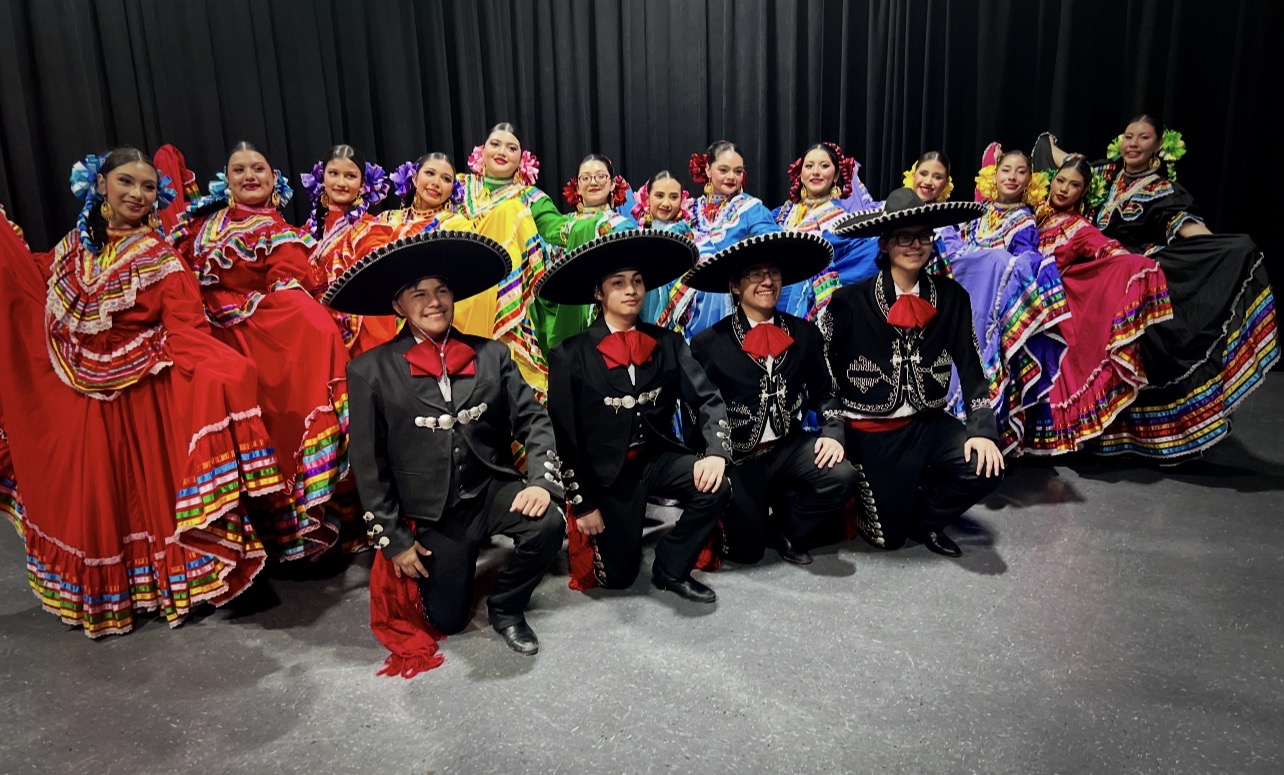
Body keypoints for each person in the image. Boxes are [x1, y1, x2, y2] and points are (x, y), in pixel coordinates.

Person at [0, 149, 282, 636]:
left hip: (142, 399)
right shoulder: (74, 249)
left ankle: (168, 587)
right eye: (126, 182)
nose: (137, 194)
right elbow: (42, 292)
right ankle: (120, 595)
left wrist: (226, 372)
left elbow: (188, 329)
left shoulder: (161, 260)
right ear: (100, 185)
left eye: (148, 186)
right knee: (101, 498)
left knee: (145, 500)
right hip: (85, 401)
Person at [328, 229, 565, 673]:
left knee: (549, 523)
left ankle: (506, 606)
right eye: (419, 293)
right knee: (448, 620)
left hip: (489, 490)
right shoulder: (369, 370)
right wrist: (395, 542)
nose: (434, 302)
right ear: (398, 306)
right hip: (432, 512)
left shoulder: (492, 354)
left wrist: (540, 482)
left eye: (441, 291)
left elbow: (534, 421)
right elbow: (369, 465)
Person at [1037, 116, 1279, 459]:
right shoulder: (1104, 175)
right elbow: (1068, 165)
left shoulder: (1162, 190)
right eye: (1129, 136)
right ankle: (1088, 429)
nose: (1134, 144)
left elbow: (1189, 229)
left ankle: (1157, 436)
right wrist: (1047, 141)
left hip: (1129, 275)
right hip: (1092, 277)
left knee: (1137, 349)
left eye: (1143, 138)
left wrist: (1214, 252)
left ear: (1158, 146)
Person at [173, 141, 357, 558]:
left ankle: (291, 535)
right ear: (226, 178)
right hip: (205, 338)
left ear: (275, 180)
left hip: (258, 342)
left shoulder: (277, 232)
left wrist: (309, 326)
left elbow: (290, 289)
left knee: (277, 423)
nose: (249, 176)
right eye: (239, 169)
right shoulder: (200, 226)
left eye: (258, 168)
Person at [540, 231, 731, 602]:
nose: (631, 290)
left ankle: (672, 567)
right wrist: (584, 504)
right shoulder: (569, 355)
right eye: (618, 283)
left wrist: (715, 453)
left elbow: (708, 398)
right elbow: (565, 438)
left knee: (716, 485)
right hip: (606, 476)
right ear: (599, 293)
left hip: (656, 458)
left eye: (637, 281)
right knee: (620, 578)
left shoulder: (668, 342)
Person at [825, 188, 1005, 557]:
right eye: (904, 237)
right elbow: (824, 370)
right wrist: (833, 428)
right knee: (888, 539)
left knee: (986, 466)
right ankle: (898, 496)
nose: (916, 245)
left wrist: (983, 429)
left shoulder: (952, 296)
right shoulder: (848, 301)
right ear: (885, 244)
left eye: (923, 236)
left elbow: (971, 367)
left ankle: (928, 518)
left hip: (929, 423)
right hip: (873, 432)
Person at [687, 231, 860, 565]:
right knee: (746, 553)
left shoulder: (805, 334)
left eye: (773, 273)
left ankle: (786, 527)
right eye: (755, 274)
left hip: (787, 447)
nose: (767, 281)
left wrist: (833, 432)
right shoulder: (709, 343)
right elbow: (698, 411)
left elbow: (826, 392)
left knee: (842, 475)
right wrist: (709, 459)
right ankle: (752, 518)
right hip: (738, 458)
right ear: (735, 286)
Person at [1025, 158, 1173, 453]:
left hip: (1049, 308)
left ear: (1083, 193)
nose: (1064, 189)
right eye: (1061, 181)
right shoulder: (1032, 213)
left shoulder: (1079, 228)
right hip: (1017, 300)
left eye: (1074, 185)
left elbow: (1107, 250)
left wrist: (1136, 264)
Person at [454, 122, 554, 393]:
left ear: (522, 159)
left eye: (512, 148)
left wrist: (593, 222)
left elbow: (556, 229)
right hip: (458, 292)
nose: (502, 152)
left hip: (507, 299)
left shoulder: (531, 198)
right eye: (495, 144)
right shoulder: (458, 186)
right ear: (482, 150)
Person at [658, 141, 781, 338]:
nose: (731, 177)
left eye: (738, 171)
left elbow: (772, 245)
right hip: (684, 290)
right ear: (708, 170)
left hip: (728, 292)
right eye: (723, 170)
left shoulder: (751, 209)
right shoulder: (690, 209)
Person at [532, 153, 636, 350]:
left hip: (605, 322)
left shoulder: (623, 226)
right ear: (578, 186)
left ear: (612, 184)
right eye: (586, 177)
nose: (593, 182)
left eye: (600, 176)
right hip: (558, 322)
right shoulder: (562, 225)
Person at [772, 142, 879, 319]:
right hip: (770, 297)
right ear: (801, 174)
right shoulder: (784, 212)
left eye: (824, 166)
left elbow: (865, 255)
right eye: (809, 166)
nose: (815, 172)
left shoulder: (839, 221)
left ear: (836, 175)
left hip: (805, 310)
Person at [304, 144, 392, 354]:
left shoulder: (370, 230)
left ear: (362, 184)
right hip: (315, 320)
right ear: (322, 178)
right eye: (333, 173)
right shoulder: (310, 230)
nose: (341, 183)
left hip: (355, 324)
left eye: (350, 176)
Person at [631, 170, 695, 324]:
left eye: (673, 197)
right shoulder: (635, 233)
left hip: (678, 309)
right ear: (647, 198)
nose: (666, 203)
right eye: (659, 196)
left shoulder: (686, 232)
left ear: (681, 200)